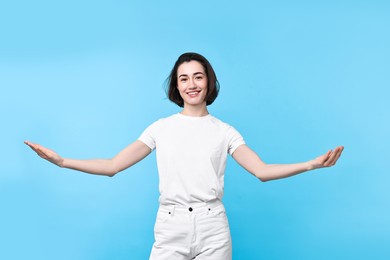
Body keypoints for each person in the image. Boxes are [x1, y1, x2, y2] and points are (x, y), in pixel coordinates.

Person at [25, 52, 344, 260]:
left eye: (198, 76)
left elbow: (260, 170)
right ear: (176, 87)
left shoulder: (225, 132)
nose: (192, 84)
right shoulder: (159, 129)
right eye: (184, 78)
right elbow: (112, 166)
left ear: (209, 82)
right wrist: (63, 161)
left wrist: (311, 164)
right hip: (170, 227)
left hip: (213, 228)